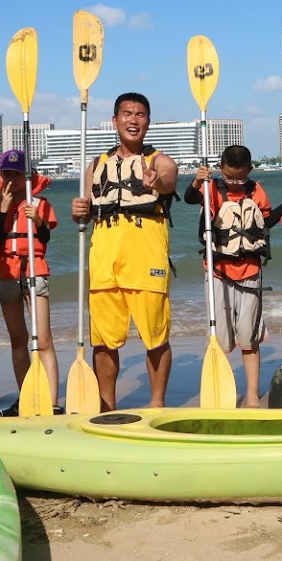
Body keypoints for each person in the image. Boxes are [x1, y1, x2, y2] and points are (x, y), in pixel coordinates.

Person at [69, 93, 178, 410]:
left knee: (155, 335)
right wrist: (78, 211)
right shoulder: (96, 165)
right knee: (103, 340)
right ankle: (107, 406)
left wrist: (156, 182)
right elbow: (85, 213)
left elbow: (170, 181)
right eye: (127, 114)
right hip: (104, 257)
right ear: (115, 120)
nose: (134, 119)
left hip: (146, 257)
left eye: (141, 114)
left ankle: (156, 403)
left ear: (148, 122)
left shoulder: (159, 160)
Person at [184, 144, 281, 408]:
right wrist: (196, 181)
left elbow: (266, 222)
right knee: (220, 337)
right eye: (229, 177)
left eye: (240, 177)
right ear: (220, 169)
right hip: (218, 273)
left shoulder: (256, 190)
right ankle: (219, 388)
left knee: (249, 336)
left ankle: (251, 393)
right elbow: (190, 198)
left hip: (250, 271)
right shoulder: (212, 188)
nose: (235, 183)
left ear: (249, 170)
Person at [0, 149, 60, 414]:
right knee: (18, 339)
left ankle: (52, 401)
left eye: (18, 175)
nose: (12, 180)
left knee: (43, 340)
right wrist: (5, 210)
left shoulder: (40, 204)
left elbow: (46, 236)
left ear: (28, 177)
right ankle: (27, 395)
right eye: (7, 174)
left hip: (34, 271)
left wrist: (37, 219)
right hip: (7, 276)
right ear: (1, 176)